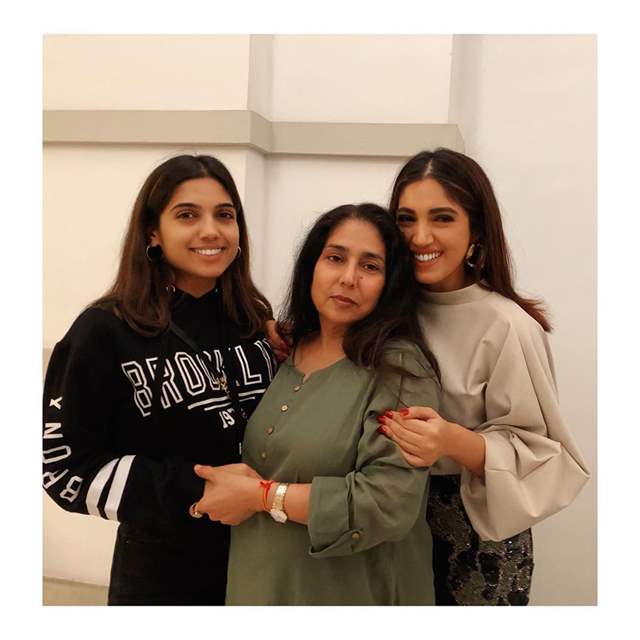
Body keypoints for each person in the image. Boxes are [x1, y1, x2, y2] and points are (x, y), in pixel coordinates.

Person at [42, 154, 277, 605]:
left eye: (225, 215)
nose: (211, 230)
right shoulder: (103, 330)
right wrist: (197, 490)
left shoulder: (254, 321)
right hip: (162, 573)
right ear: (153, 232)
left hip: (263, 560)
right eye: (187, 215)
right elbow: (62, 467)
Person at [193, 203, 441, 605]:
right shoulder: (285, 352)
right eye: (335, 258)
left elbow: (387, 503)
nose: (348, 278)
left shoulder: (399, 369)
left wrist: (262, 496)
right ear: (312, 265)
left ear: (390, 283)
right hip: (260, 583)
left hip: (351, 592)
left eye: (370, 266)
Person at [376, 148, 590, 605]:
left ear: (476, 229)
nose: (420, 236)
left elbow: (544, 454)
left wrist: (452, 441)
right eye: (406, 219)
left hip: (472, 539)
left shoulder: (507, 325)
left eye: (442, 218)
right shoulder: (382, 312)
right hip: (383, 521)